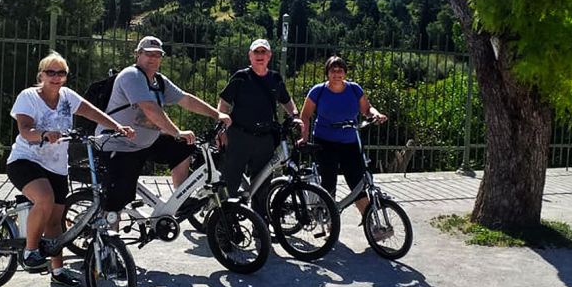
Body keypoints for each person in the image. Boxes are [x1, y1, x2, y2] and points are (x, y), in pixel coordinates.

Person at [6, 51, 135, 287]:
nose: (56, 77)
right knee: (44, 199)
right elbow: (24, 129)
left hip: (56, 167)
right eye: (50, 72)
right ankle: (30, 251)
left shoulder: (66, 97)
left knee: (55, 221)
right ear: (41, 75)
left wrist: (118, 127)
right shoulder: (29, 97)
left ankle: (58, 271)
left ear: (65, 77)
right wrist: (43, 134)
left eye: (61, 73)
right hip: (26, 160)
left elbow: (93, 112)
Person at [96, 35, 231, 212]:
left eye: (157, 55)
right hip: (120, 145)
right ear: (138, 55)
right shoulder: (132, 75)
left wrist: (217, 114)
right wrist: (176, 131)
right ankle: (109, 236)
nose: (152, 58)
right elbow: (150, 109)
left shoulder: (158, 81)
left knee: (184, 146)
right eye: (148, 54)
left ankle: (180, 199)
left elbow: (186, 100)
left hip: (144, 144)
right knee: (117, 200)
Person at [217, 38, 303, 207]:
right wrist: (221, 128)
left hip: (265, 139)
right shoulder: (241, 77)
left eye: (263, 52)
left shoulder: (275, 79)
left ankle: (259, 225)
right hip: (239, 136)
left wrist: (294, 115)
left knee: (263, 184)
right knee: (230, 180)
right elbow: (224, 103)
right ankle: (223, 223)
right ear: (250, 56)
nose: (260, 55)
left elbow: (286, 100)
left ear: (269, 56)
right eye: (256, 52)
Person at [299, 55, 387, 214]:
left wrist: (376, 114)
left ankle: (371, 223)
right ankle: (329, 221)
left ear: (345, 73)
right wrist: (304, 137)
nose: (337, 74)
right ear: (327, 73)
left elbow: (367, 109)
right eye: (333, 70)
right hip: (325, 142)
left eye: (340, 70)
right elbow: (305, 115)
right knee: (329, 183)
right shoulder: (318, 91)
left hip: (349, 142)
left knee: (357, 183)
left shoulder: (354, 89)